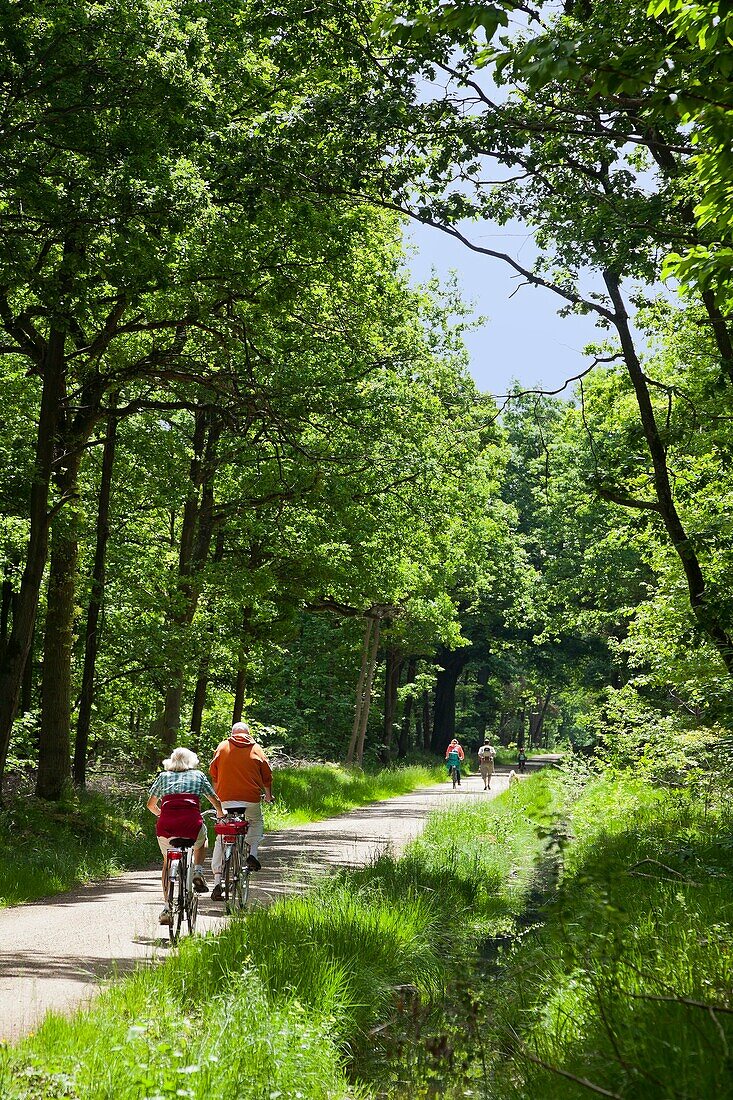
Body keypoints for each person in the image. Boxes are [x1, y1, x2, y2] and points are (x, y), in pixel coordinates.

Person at [147, 746, 223, 926]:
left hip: (166, 827)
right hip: (191, 825)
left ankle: (167, 906)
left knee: (167, 862)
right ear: (192, 762)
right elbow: (214, 800)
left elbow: (150, 804)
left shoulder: (163, 777)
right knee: (202, 840)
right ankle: (197, 870)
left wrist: (161, 814)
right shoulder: (198, 776)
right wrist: (220, 812)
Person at [209, 722, 274, 901]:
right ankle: (252, 854)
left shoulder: (222, 747)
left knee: (222, 836)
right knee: (255, 822)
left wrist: (218, 796)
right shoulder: (257, 749)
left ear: (232, 734)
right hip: (250, 799)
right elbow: (267, 777)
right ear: (248, 734)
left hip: (225, 800)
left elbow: (214, 774)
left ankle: (216, 881)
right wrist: (268, 796)